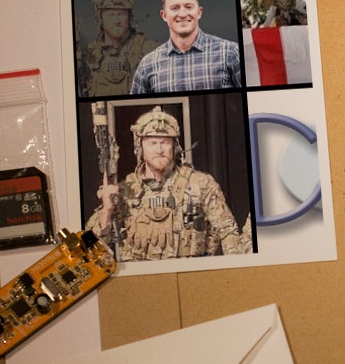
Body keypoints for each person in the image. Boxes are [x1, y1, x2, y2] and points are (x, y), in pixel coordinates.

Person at [85, 106, 252, 261]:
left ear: (175, 146)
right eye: (152, 143)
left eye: (165, 142)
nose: (159, 150)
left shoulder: (200, 184)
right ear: (140, 148)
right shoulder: (125, 191)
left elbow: (228, 233)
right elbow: (87, 248)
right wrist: (107, 210)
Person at [129, 0, 241, 94]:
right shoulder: (148, 64)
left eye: (188, 7)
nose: (182, 14)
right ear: (164, 15)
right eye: (175, 8)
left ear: (199, 12)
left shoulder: (229, 53)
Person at [78, 0, 158, 97]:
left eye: (121, 14)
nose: (116, 20)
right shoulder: (87, 57)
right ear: (100, 18)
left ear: (129, 18)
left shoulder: (150, 51)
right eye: (111, 15)